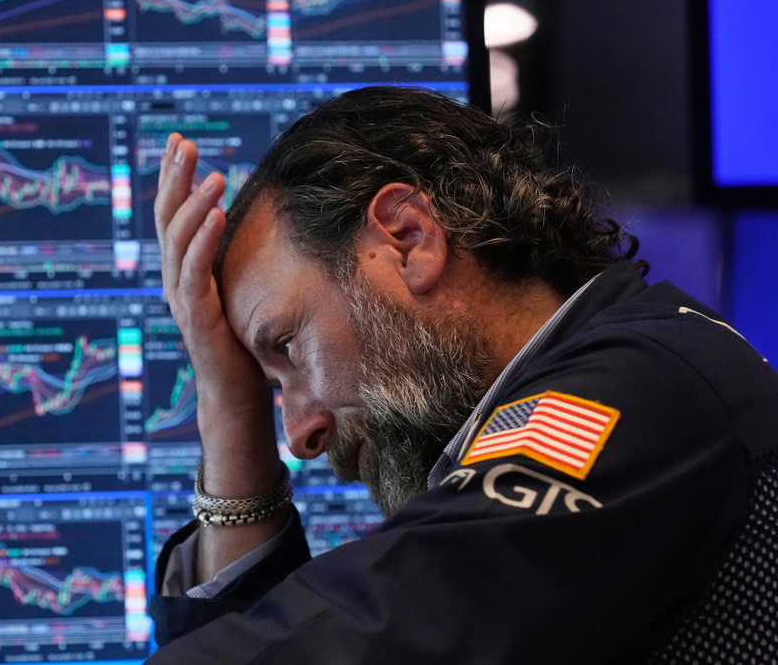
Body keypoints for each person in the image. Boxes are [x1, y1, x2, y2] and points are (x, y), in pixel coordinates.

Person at [146, 86, 778, 664]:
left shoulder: (650, 381)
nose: (301, 437)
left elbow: (387, 633)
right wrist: (230, 405)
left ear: (408, 237)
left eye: (288, 343)